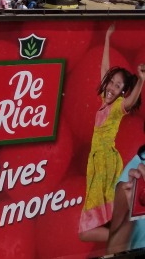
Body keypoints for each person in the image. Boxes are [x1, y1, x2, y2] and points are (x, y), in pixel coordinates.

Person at [80, 25, 145, 243]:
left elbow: (131, 101)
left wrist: (142, 81)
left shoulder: (117, 107)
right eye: (111, 82)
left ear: (122, 92)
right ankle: (125, 236)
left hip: (106, 162)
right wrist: (107, 39)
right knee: (100, 219)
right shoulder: (105, 101)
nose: (111, 87)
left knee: (87, 230)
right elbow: (105, 69)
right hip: (98, 161)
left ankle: (129, 237)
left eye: (118, 86)